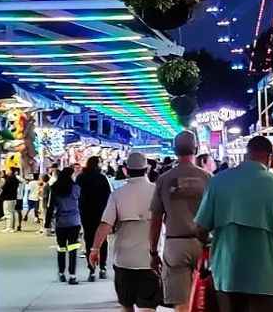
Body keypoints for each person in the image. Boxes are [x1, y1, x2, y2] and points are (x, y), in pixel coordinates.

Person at [195, 135, 273, 312]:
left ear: (246, 155)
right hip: (264, 277)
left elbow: (200, 229)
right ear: (270, 158)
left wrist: (211, 247)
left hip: (226, 274)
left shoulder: (218, 182)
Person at [90, 153, 161, 312]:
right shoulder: (157, 192)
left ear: (126, 170)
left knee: (126, 305)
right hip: (149, 260)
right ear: (147, 169)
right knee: (148, 306)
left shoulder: (117, 195)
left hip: (124, 260)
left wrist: (95, 249)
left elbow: (105, 224)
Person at [150, 131, 211, 312]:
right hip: (204, 246)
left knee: (181, 302)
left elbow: (155, 219)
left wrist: (153, 251)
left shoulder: (164, 179)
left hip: (175, 244)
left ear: (174, 151)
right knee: (204, 299)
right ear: (197, 149)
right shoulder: (208, 179)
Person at [76, 155, 112, 281]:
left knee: (89, 239)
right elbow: (109, 195)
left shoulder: (80, 177)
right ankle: (102, 267)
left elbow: (77, 195)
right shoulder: (102, 178)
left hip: (86, 213)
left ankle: (91, 269)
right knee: (102, 240)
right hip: (101, 213)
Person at [51, 167, 82, 285]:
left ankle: (61, 273)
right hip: (74, 221)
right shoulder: (76, 188)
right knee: (73, 249)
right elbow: (80, 202)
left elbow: (50, 206)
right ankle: (72, 275)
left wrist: (48, 223)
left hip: (60, 222)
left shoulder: (55, 188)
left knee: (61, 248)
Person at [0, 168, 23, 233]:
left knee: (8, 213)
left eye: (8, 170)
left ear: (11, 172)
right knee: (12, 212)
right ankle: (11, 227)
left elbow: (4, 188)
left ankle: (9, 227)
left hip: (8, 198)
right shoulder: (15, 179)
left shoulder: (9, 179)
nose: (6, 171)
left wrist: (1, 190)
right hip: (13, 197)